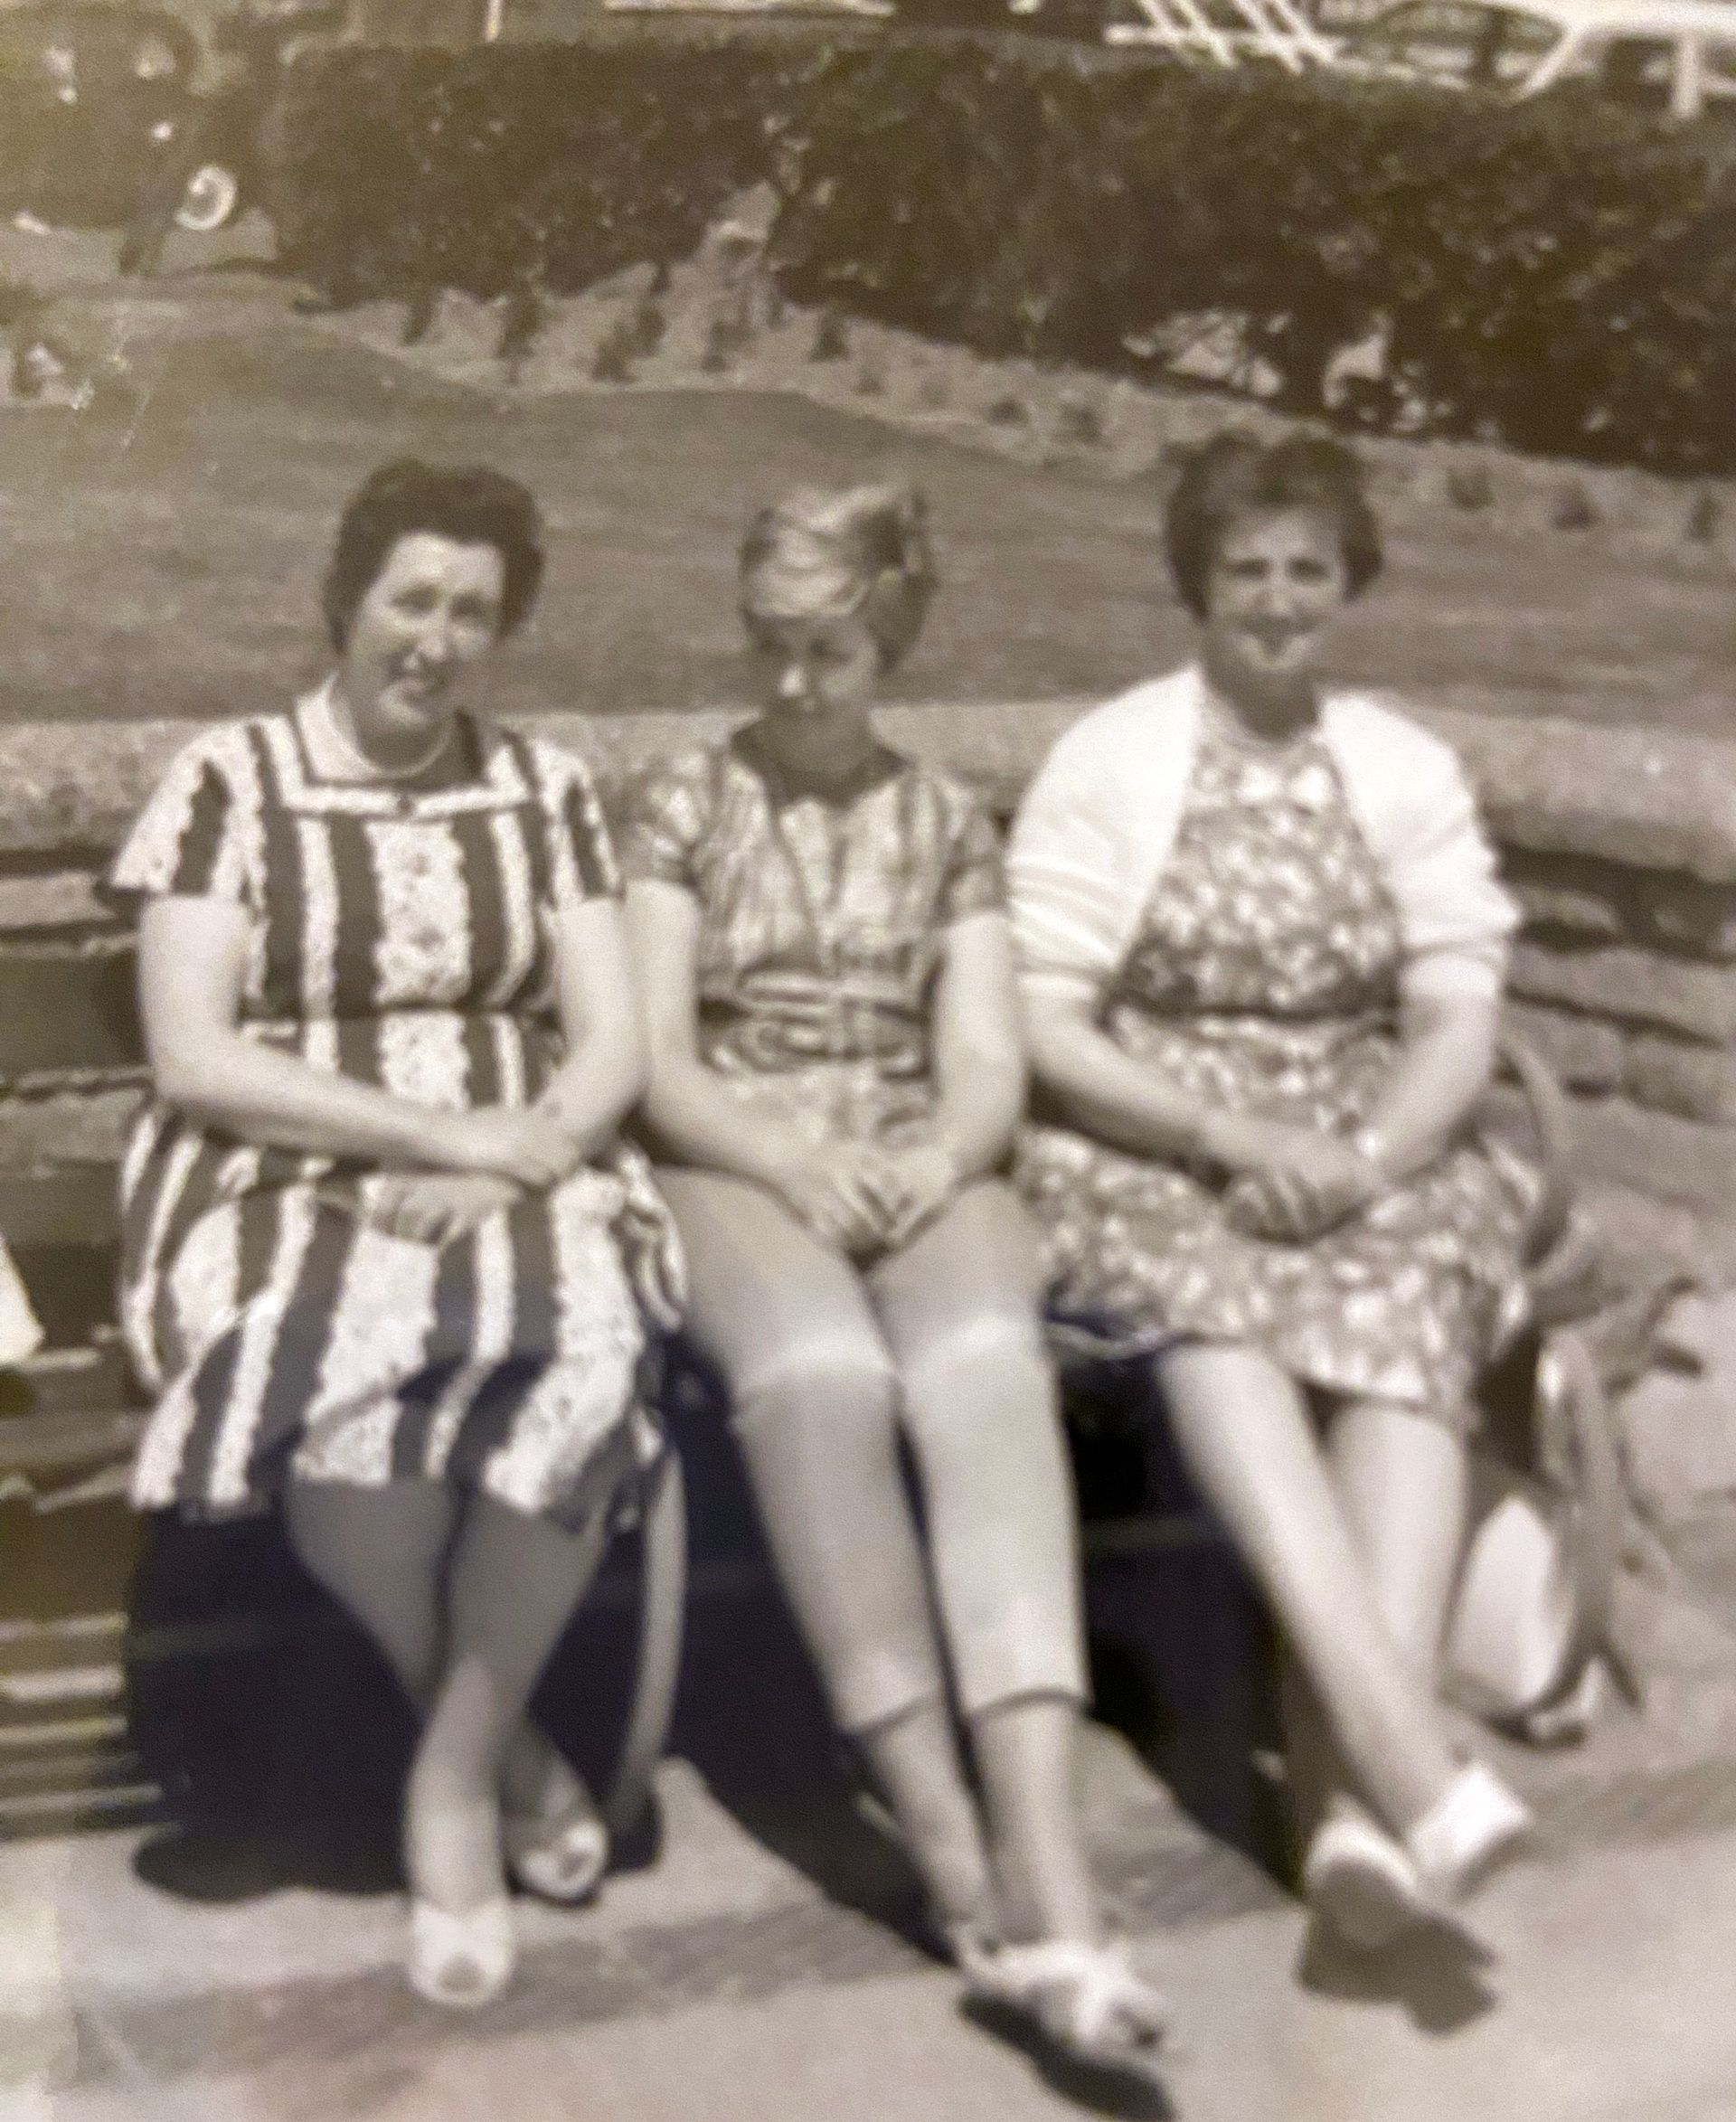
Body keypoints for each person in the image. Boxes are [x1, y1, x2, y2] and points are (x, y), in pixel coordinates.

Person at [106, 459, 682, 2009]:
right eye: (410, 599)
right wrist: (442, 1140)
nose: (436, 639)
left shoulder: (545, 790)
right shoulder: (229, 782)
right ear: (343, 600)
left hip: (519, 1166)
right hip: (278, 1171)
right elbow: (195, 1056)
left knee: (582, 1351)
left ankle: (451, 1781)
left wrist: (516, 1163)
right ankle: (509, 1756)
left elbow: (613, 1041)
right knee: (348, 1376)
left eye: (473, 612)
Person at [621, 481, 1166, 2076]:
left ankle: (1051, 1874)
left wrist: (937, 1160)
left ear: (895, 643)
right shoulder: (681, 802)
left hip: (915, 1156)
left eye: (833, 651)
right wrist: (789, 1161)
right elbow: (658, 1061)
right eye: (772, 645)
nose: (796, 682)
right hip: (736, 1157)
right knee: (821, 1376)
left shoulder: (946, 824)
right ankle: (950, 1856)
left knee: (985, 1368)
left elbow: (985, 1060)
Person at [1009, 431, 1537, 1955]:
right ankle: (1402, 1757)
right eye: (1247, 569)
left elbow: (1458, 1017)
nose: (1280, 598)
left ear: (1346, 585)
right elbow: (1047, 1020)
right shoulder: (1115, 757)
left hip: (1361, 1128)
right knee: (1215, 1306)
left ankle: (1354, 1814)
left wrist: (1365, 1159)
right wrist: (1227, 1139)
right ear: (1198, 585)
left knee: (1415, 1284)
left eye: (1309, 569)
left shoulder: (1400, 765)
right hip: (1153, 1134)